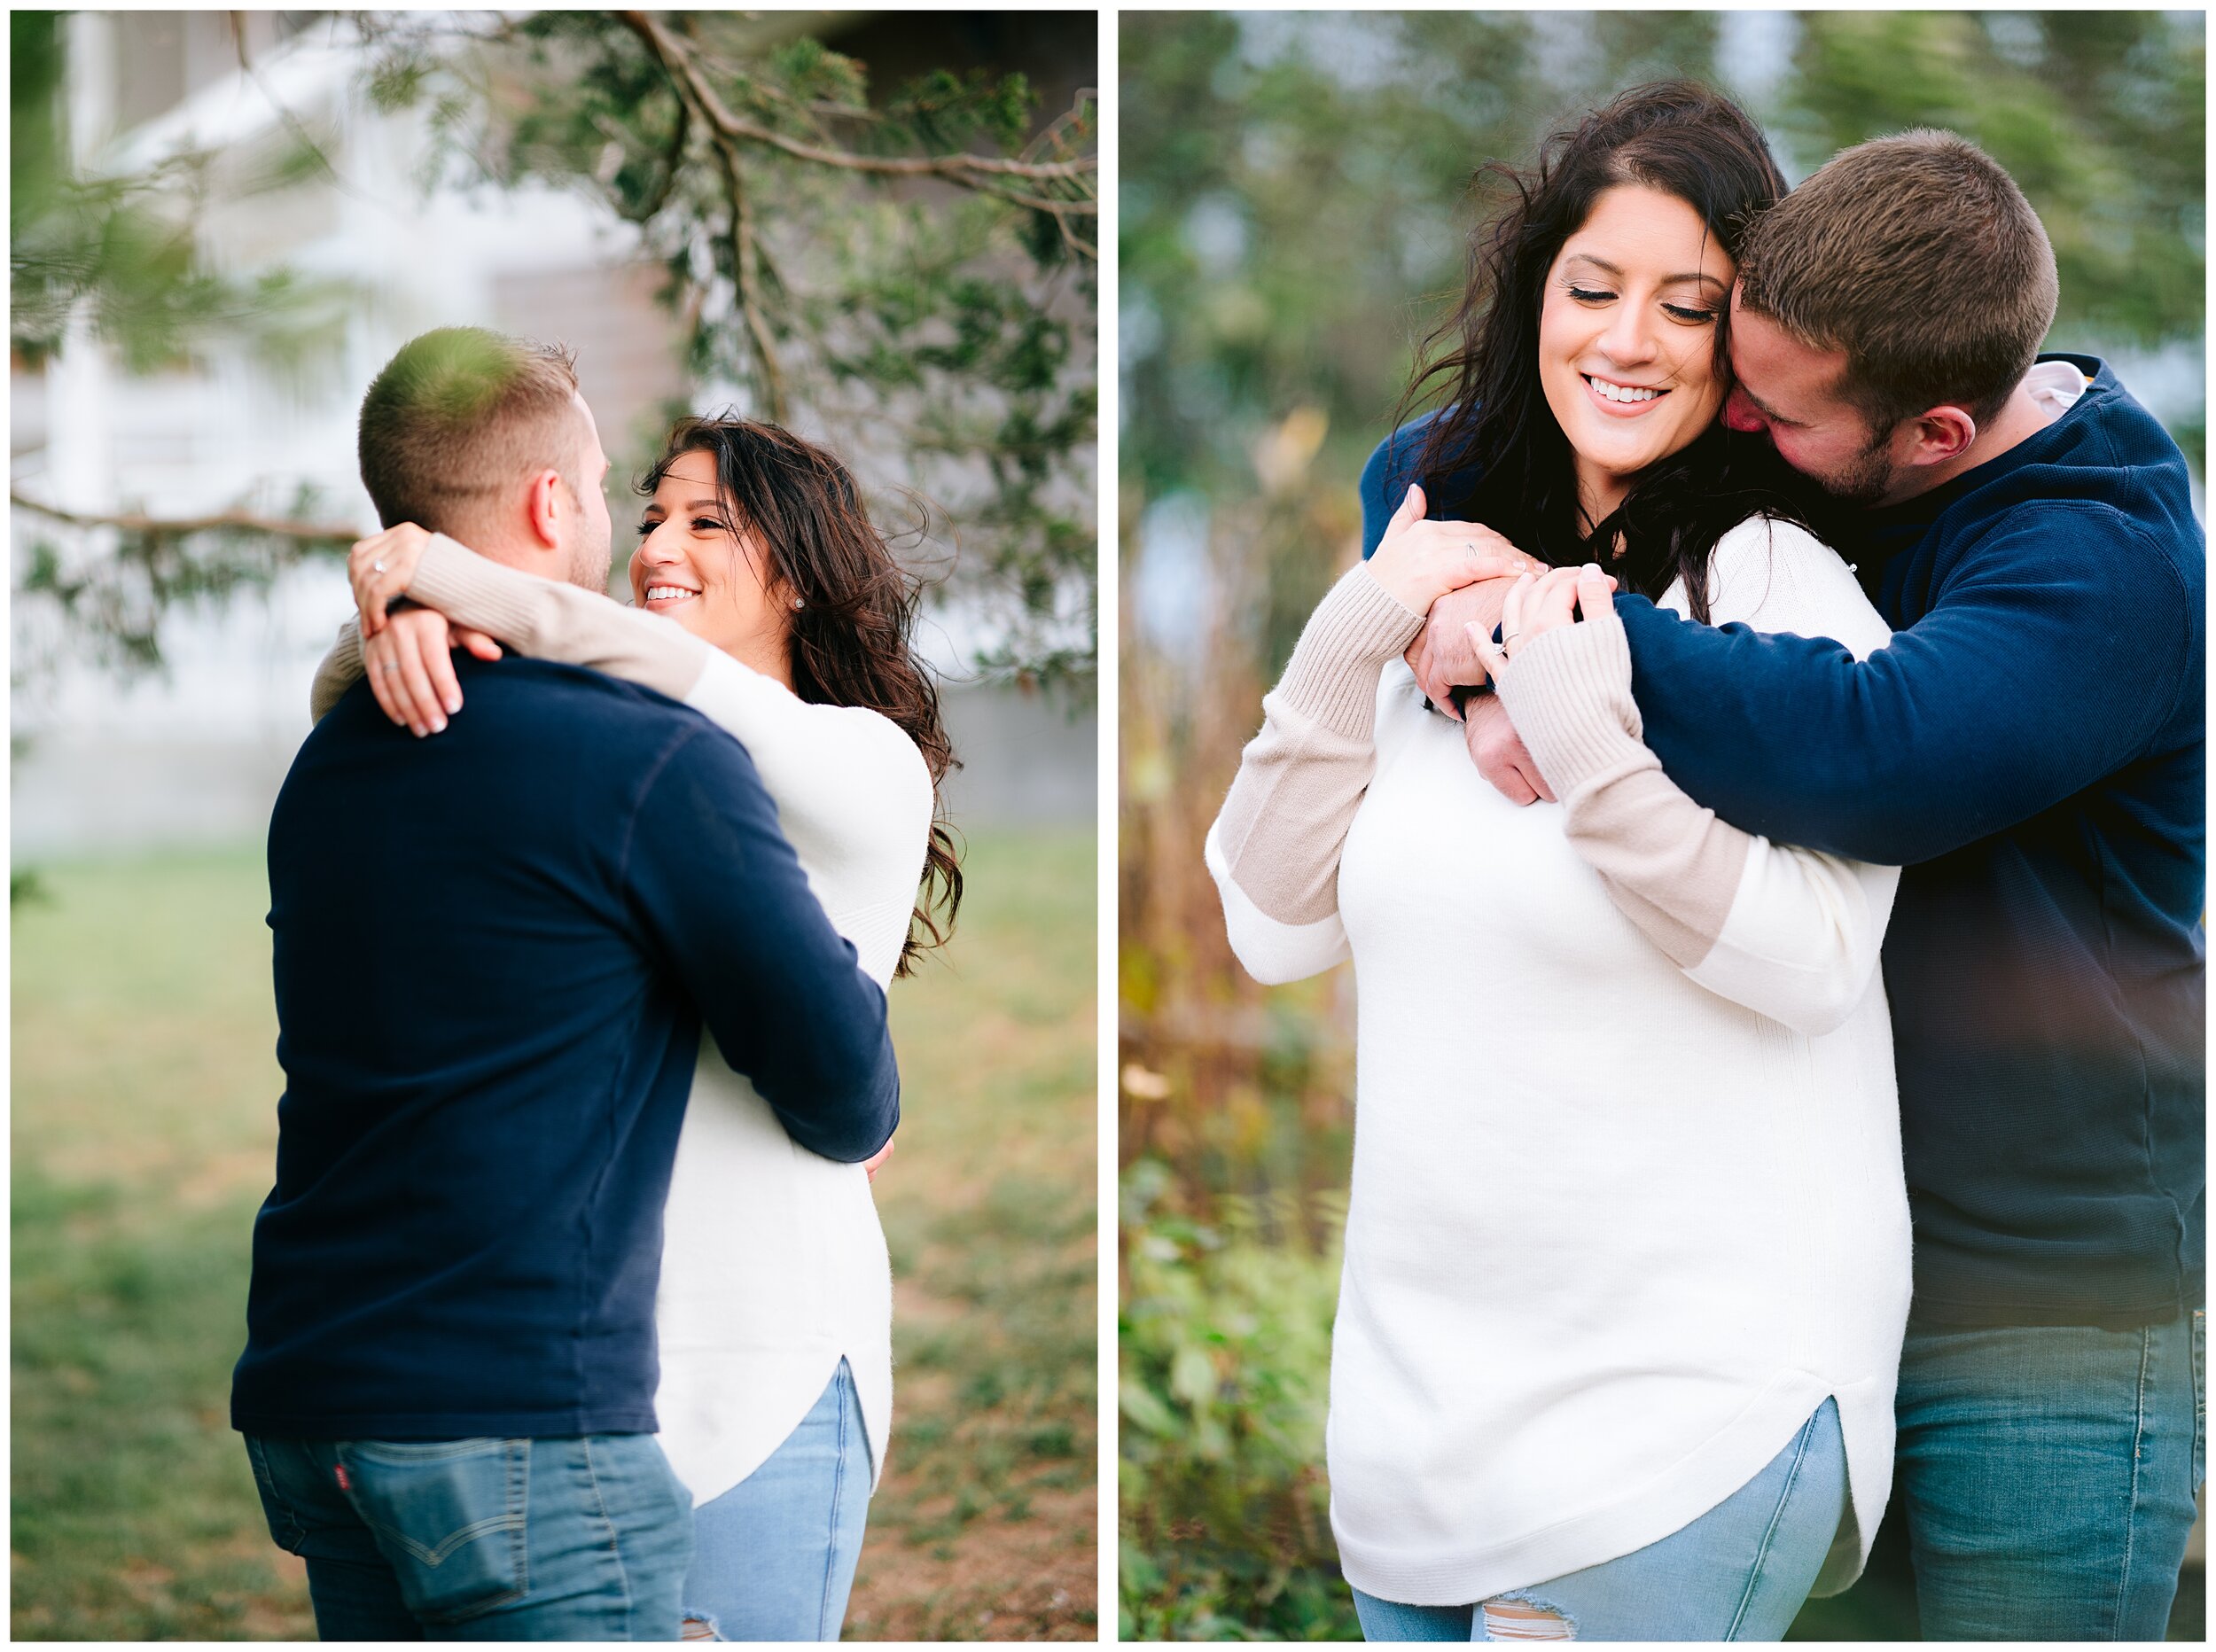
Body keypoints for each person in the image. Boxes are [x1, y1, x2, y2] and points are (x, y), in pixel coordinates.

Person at [1388, 127, 2204, 1641]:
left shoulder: (2103, 562)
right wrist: (1467, 616)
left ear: (1938, 436)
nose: (1732, 424)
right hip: (1786, 1300)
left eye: (1769, 410)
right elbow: (1442, 470)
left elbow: (1868, 753)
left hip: (2032, 1309)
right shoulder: (1834, 426)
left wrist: (1546, 639)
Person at [1210, 83, 1912, 1642]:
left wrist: (1593, 751)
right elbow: (1267, 925)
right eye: (1593, 288)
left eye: (1690, 306)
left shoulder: (1775, 586)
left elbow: (1813, 961)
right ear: (1536, 294)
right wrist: (1359, 628)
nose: (1629, 338)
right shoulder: (1443, 571)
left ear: (1749, 347)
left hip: (1681, 1405)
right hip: (1416, 1431)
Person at [230, 328, 901, 1641]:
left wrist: (454, 588)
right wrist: (411, 625)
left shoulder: (831, 757)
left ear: (807, 579)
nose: (653, 542)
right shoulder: (605, 753)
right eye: (639, 504)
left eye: (711, 523)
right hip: (548, 1376)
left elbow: (713, 713)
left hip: (739, 1355)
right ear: (558, 504)